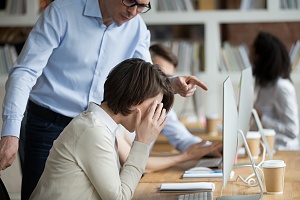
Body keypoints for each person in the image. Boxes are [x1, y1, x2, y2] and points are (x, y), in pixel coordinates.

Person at [0, 0, 208, 199]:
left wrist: (171, 85)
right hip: (49, 121)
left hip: (101, 124)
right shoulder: (62, 12)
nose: (134, 12)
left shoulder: (136, 28)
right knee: (46, 191)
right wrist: (11, 133)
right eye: (130, 2)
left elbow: (146, 86)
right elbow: (25, 72)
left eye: (143, 6)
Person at [29, 58, 174, 200]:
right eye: (153, 107)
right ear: (134, 99)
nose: (153, 116)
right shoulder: (93, 131)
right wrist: (142, 142)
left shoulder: (104, 126)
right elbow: (120, 197)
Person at [117, 44, 222, 173]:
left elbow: (181, 138)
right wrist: (184, 157)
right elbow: (136, 162)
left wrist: (209, 148)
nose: (165, 84)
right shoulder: (123, 115)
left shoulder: (161, 108)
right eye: (160, 76)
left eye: (168, 77)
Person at [251, 32, 299, 150]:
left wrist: (261, 116)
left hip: (283, 150)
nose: (251, 58)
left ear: (263, 58)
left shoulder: (282, 87)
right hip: (264, 148)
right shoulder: (265, 86)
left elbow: (292, 131)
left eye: (254, 54)